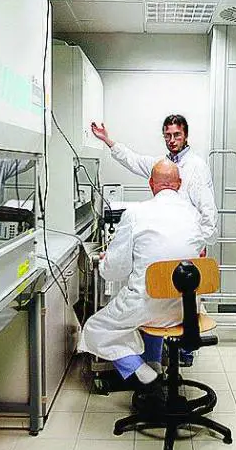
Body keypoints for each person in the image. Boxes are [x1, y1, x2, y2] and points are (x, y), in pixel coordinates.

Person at [91, 114, 217, 367]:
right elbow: (135, 160)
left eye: (177, 135)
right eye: (167, 135)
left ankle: (177, 355)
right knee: (161, 296)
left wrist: (198, 245)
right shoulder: (163, 164)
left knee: (155, 297)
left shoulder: (197, 167)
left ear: (186, 135)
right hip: (170, 243)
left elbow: (208, 213)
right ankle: (155, 362)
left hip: (187, 245)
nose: (172, 140)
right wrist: (109, 142)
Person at [78, 159, 204, 397]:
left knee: (95, 328)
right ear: (179, 184)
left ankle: (143, 373)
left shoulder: (136, 214)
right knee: (152, 315)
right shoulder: (194, 214)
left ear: (151, 184)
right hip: (187, 310)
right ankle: (154, 365)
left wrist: (106, 260)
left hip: (149, 306)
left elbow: (115, 271)